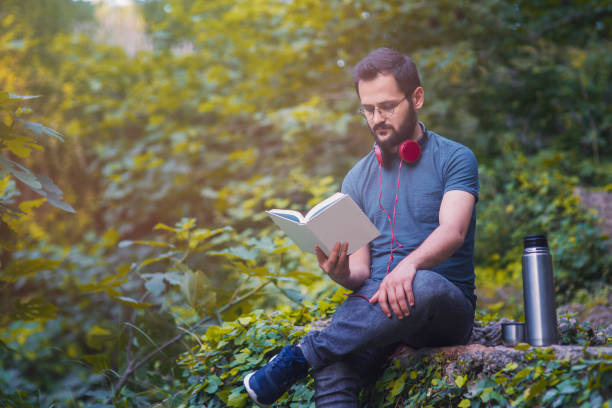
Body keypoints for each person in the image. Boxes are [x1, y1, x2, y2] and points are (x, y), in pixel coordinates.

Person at [243, 47, 479, 407]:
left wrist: (409, 266)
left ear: (417, 97)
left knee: (423, 283)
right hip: (378, 312)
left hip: (441, 306)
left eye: (387, 106)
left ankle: (297, 358)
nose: (377, 118)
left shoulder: (456, 157)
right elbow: (360, 273)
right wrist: (339, 273)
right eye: (368, 110)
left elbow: (453, 231)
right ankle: (313, 356)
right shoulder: (355, 178)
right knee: (334, 360)